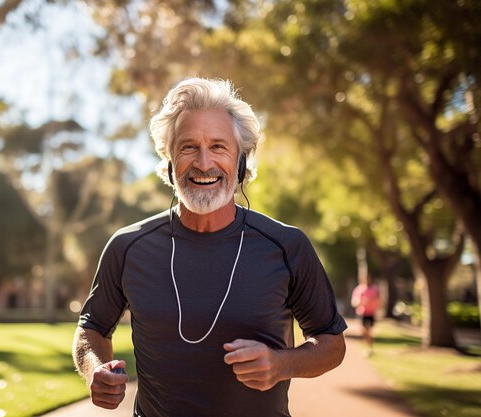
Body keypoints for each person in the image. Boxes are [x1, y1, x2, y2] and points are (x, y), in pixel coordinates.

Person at [73, 77, 347, 417]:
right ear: (170, 160)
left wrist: (280, 364)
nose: (204, 163)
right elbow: (92, 328)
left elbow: (331, 343)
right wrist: (94, 369)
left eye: (219, 147)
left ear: (241, 161)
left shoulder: (287, 246)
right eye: (189, 147)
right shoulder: (128, 246)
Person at [350, 275, 381, 355]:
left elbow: (379, 300)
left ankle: (370, 348)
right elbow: (354, 302)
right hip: (362, 313)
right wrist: (360, 302)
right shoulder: (359, 289)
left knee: (370, 331)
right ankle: (366, 347)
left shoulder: (375, 289)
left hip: (371, 313)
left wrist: (376, 305)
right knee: (364, 331)